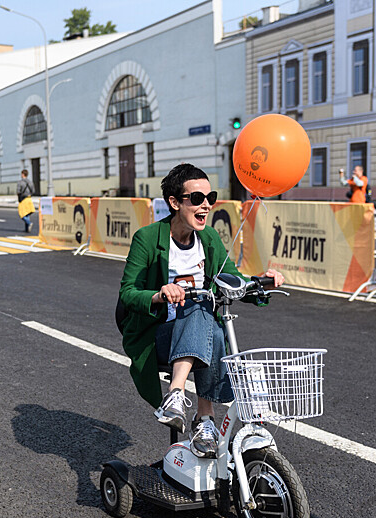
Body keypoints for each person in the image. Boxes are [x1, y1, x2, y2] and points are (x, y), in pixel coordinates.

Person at [118, 163, 284, 458]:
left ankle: (200, 417)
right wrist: (159, 294)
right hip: (158, 336)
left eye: (210, 198)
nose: (206, 205)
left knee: (210, 318)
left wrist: (261, 283)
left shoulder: (208, 240)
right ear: (175, 202)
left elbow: (231, 279)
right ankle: (182, 400)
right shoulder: (148, 238)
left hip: (200, 333)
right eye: (196, 199)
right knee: (201, 308)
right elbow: (128, 293)